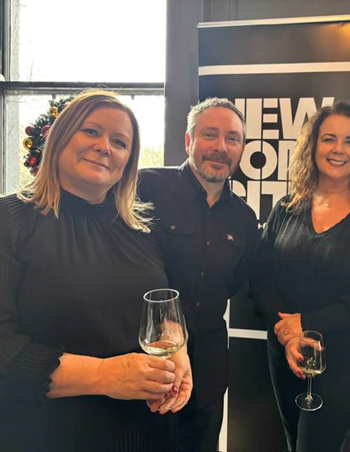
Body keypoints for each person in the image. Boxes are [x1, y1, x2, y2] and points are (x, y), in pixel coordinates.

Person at [0, 90, 192, 452]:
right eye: (91, 131)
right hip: (38, 436)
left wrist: (177, 350)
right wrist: (106, 375)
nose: (104, 147)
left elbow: (162, 310)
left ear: (129, 161)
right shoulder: (0, 223)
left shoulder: (141, 230)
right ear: (59, 137)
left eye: (119, 142)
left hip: (141, 432)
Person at [250, 101, 350, 452]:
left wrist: (306, 323)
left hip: (346, 362)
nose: (339, 149)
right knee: (294, 441)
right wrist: (288, 333)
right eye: (329, 139)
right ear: (313, 146)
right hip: (287, 353)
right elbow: (261, 277)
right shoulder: (287, 208)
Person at [138, 98, 258, 452]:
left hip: (208, 368)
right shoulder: (146, 188)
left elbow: (233, 283)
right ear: (188, 140)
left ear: (241, 149)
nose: (221, 147)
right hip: (146, 363)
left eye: (232, 139)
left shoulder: (244, 218)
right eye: (210, 134)